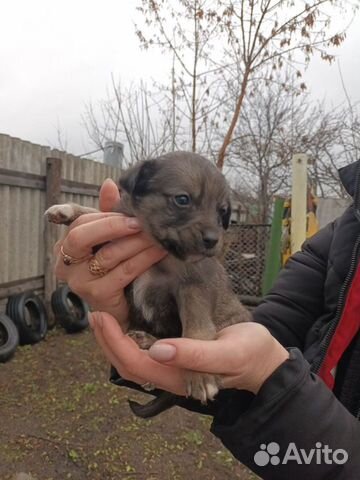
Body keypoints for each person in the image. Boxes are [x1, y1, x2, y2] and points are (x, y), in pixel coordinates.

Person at [54, 161, 360, 479]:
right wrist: (82, 221)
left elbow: (226, 323)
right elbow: (273, 329)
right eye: (183, 201)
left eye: (220, 213)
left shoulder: (194, 258)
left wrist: (265, 377)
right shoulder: (345, 231)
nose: (213, 229)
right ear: (136, 186)